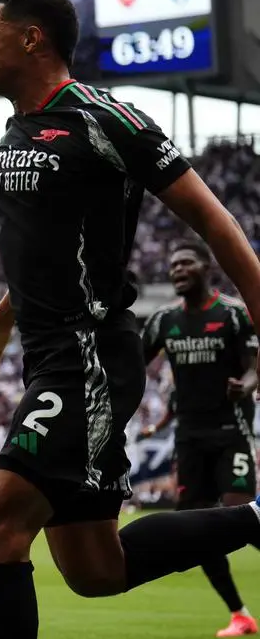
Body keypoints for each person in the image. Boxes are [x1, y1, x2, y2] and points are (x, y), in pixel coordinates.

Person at [0, 0, 260, 639]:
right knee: (96, 569)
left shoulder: (105, 118)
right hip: (49, 358)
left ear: (30, 38)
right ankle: (257, 518)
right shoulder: (16, 131)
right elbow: (45, 249)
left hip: (87, 358)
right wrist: (5, 315)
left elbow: (215, 220)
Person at [141, 241, 259, 637]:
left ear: (206, 267)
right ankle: (240, 614)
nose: (177, 270)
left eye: (185, 263)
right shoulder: (163, 321)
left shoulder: (232, 314)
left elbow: (255, 363)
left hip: (231, 430)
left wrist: (246, 385)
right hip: (189, 437)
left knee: (239, 512)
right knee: (198, 527)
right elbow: (132, 364)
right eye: (173, 264)